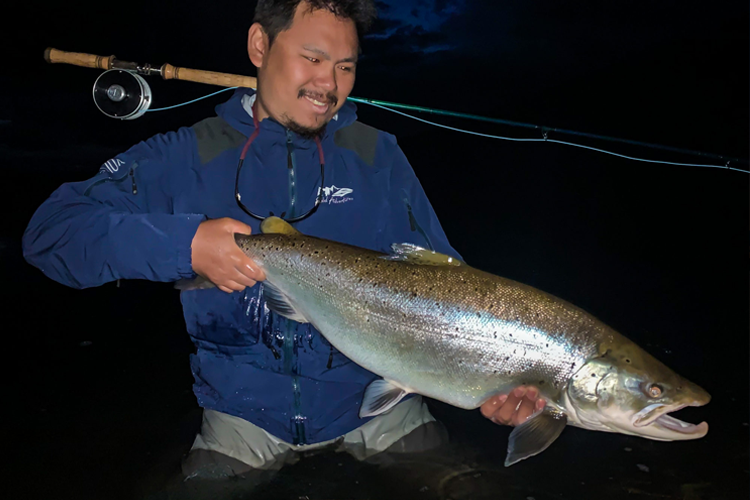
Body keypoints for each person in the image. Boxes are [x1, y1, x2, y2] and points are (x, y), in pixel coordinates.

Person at [22, 0, 545, 479]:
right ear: (259, 47)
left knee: (473, 489)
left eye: (346, 66)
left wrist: (487, 378)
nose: (331, 85)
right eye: (312, 59)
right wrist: (183, 246)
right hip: (241, 417)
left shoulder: (379, 156)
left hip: (378, 406)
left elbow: (450, 286)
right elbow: (51, 235)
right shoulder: (184, 155)